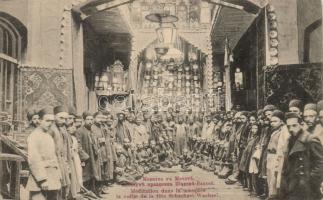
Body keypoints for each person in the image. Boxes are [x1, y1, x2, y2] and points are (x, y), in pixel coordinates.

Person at [282, 112, 323, 200]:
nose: (291, 129)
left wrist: (309, 181)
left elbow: (320, 164)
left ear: (301, 124)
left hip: (306, 188)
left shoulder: (310, 139)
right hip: (292, 185)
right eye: (288, 126)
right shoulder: (289, 140)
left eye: (294, 125)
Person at [27, 107, 61, 200]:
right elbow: (34, 160)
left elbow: (54, 157)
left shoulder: (48, 136)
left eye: (52, 121)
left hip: (52, 177)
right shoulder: (34, 136)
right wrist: (42, 180)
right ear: (40, 120)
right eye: (47, 121)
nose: (50, 124)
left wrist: (59, 175)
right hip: (40, 180)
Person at [76, 111, 101, 195]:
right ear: (84, 120)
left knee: (93, 175)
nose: (90, 121)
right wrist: (85, 157)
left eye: (91, 119)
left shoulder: (91, 130)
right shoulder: (80, 131)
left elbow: (94, 142)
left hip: (93, 157)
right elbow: (78, 146)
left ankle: (93, 193)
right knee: (86, 177)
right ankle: (87, 194)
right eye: (88, 119)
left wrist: (97, 150)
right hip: (86, 158)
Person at [50, 105, 71, 200]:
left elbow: (66, 148)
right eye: (61, 118)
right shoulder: (51, 130)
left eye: (65, 119)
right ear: (54, 116)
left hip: (63, 162)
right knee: (55, 188)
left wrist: (67, 163)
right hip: (54, 163)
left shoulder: (63, 129)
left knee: (64, 187)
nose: (63, 121)